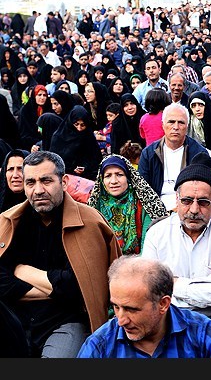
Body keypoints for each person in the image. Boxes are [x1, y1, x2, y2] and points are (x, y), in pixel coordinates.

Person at [0, 151, 121, 357]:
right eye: (31, 182)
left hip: (67, 321)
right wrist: (56, 286)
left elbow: (82, 287)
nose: (38, 190)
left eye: (46, 180)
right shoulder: (9, 221)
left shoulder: (90, 223)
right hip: (13, 320)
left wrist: (23, 271)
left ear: (64, 181)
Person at [141, 160, 211, 355]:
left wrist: (173, 284)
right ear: (176, 200)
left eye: (203, 202)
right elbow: (151, 293)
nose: (194, 210)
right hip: (169, 322)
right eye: (187, 201)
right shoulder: (157, 233)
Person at [76, 255, 211, 358]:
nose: (121, 320)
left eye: (132, 309)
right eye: (116, 307)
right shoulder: (100, 345)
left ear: (163, 304)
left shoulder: (201, 333)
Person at [88, 155, 169, 255]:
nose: (114, 181)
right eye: (108, 176)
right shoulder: (95, 207)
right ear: (102, 180)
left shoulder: (144, 203)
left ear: (128, 177)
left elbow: (147, 244)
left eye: (119, 175)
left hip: (139, 263)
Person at [138, 102, 209, 211]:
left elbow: (203, 191)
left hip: (189, 208)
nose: (176, 127)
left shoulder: (199, 154)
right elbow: (143, 191)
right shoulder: (149, 153)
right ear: (163, 125)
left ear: (187, 126)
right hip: (155, 209)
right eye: (171, 122)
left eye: (181, 123)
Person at [49, 105, 103, 181]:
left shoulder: (88, 137)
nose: (79, 128)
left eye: (83, 125)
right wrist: (71, 169)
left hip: (87, 179)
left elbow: (96, 160)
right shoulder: (59, 137)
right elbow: (54, 161)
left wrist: (85, 168)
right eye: (76, 124)